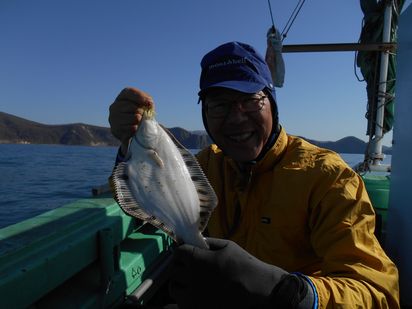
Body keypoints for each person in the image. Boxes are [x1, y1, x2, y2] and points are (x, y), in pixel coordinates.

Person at [108, 41, 400, 308]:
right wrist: (130, 147)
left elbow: (377, 292)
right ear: (205, 113)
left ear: (271, 103)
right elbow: (142, 206)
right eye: (220, 105)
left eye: (250, 100)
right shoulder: (206, 166)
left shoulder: (329, 179)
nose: (236, 118)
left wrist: (288, 291)